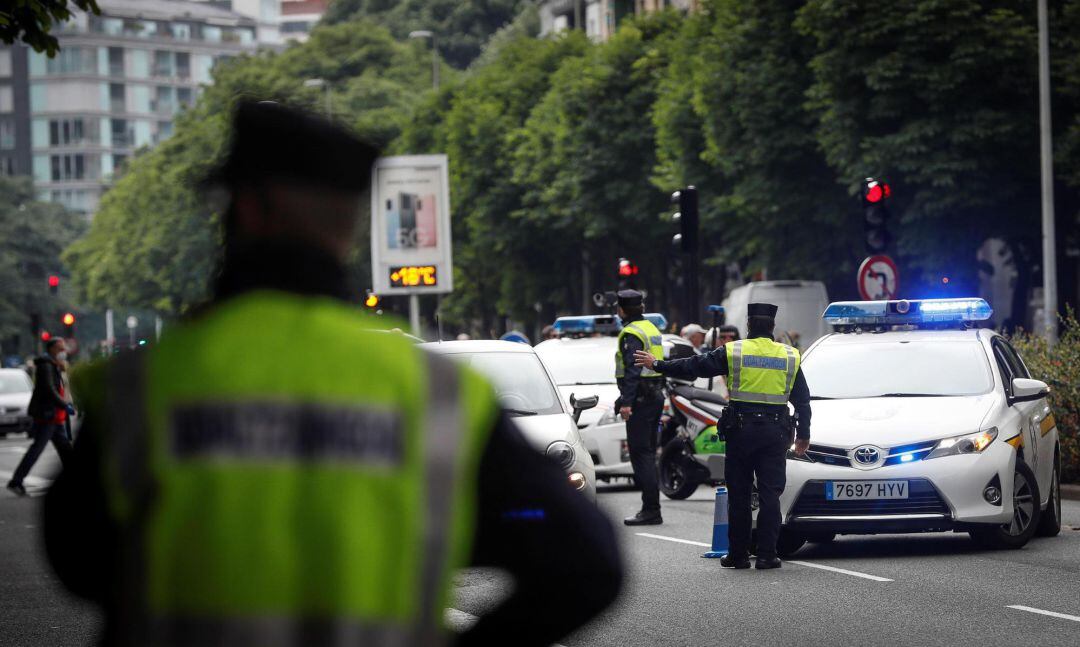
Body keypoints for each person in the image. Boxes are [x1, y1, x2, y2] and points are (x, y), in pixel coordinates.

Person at [44, 101, 621, 646]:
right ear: (348, 226)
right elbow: (586, 564)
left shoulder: (147, 384)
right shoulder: (435, 391)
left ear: (247, 208)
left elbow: (75, 557)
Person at [635, 303, 810, 569]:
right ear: (772, 327)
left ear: (749, 326)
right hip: (775, 433)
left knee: (738, 495)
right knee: (770, 496)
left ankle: (738, 555)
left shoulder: (734, 350)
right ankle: (766, 555)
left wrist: (658, 364)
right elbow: (803, 401)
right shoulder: (790, 355)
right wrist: (804, 435)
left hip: (741, 432)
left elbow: (694, 366)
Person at [614, 289, 666, 526]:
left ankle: (651, 510)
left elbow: (633, 370)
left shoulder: (631, 332)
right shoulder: (651, 328)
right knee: (648, 453)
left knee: (641, 454)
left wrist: (626, 403)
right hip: (654, 396)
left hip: (641, 400)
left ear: (622, 309)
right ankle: (651, 508)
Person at [6, 338, 75, 496]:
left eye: (63, 348)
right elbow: (49, 390)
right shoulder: (46, 366)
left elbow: (62, 388)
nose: (63, 351)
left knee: (65, 449)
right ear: (51, 349)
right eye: (60, 348)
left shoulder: (54, 365)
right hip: (48, 416)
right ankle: (16, 481)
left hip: (54, 417)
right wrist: (64, 405)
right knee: (37, 449)